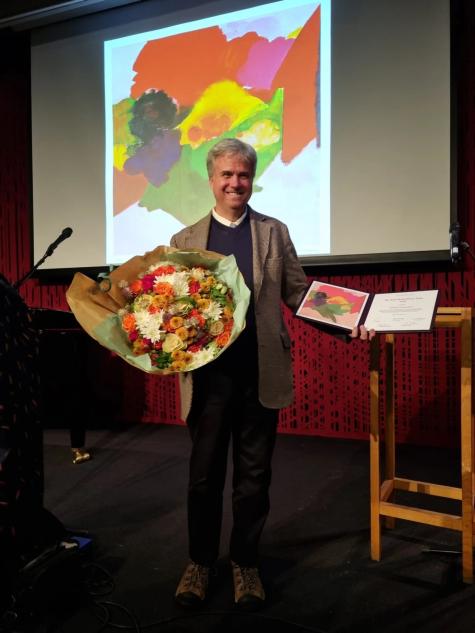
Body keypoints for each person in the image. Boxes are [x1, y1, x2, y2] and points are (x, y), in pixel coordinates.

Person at [170, 138, 372, 611]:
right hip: (208, 381)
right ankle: (199, 562)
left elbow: (299, 293)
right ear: (212, 179)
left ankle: (245, 564)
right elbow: (172, 309)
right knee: (203, 479)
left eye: (243, 174)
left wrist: (349, 322)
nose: (235, 183)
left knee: (254, 480)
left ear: (252, 178)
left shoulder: (273, 233)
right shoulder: (183, 241)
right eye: (226, 175)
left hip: (261, 374)